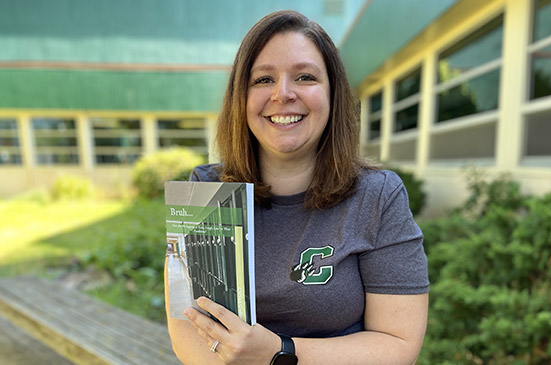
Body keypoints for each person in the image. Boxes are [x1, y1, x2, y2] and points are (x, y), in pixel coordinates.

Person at [165, 10, 429, 364]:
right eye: (263, 80)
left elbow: (397, 344)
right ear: (240, 97)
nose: (283, 94)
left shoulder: (378, 196)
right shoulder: (206, 191)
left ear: (332, 94)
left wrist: (278, 354)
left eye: (304, 77)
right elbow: (186, 325)